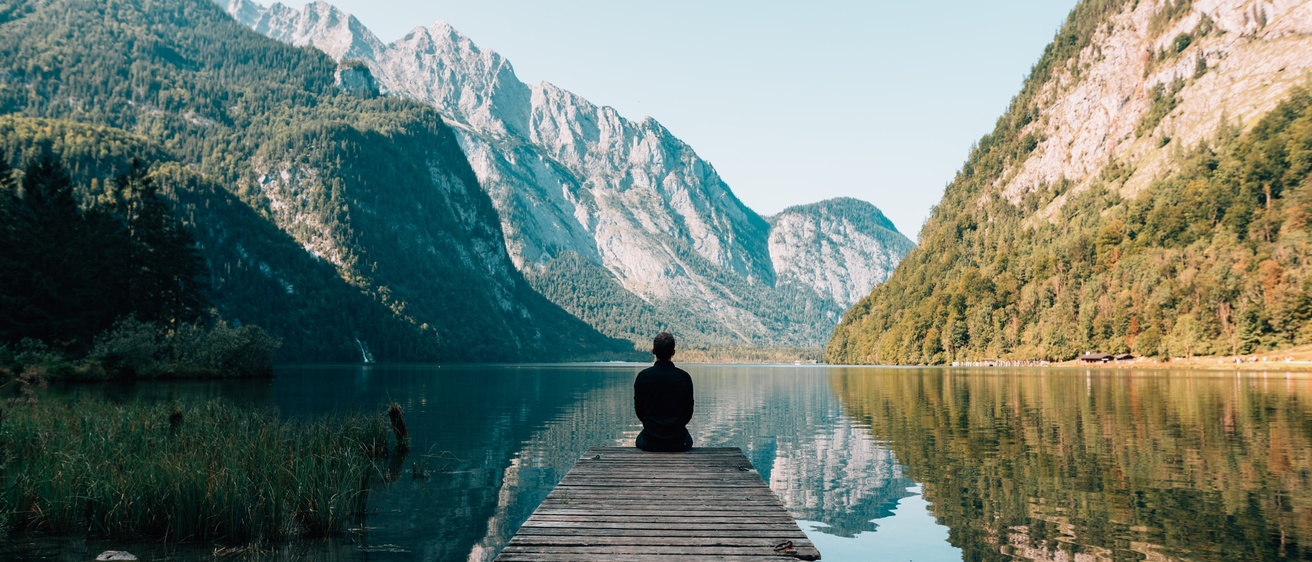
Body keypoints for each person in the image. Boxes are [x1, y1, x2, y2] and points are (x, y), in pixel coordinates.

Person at [633, 332, 694, 452]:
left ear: (653, 351)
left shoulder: (643, 377)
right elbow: (688, 412)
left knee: (640, 438)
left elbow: (639, 411)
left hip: (649, 442)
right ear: (673, 352)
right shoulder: (684, 377)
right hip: (679, 442)